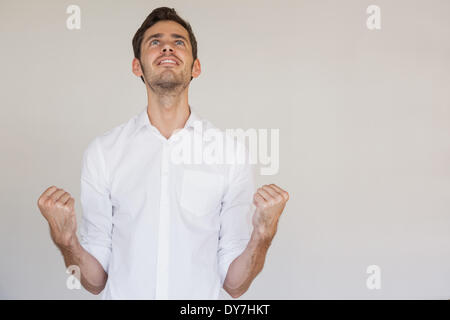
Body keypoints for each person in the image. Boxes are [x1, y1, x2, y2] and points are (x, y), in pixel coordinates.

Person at [37, 7, 289, 299]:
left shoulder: (230, 154)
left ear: (196, 67)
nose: (167, 46)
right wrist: (66, 240)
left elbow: (235, 285)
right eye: (154, 42)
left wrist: (263, 235)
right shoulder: (103, 153)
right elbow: (95, 282)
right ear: (137, 66)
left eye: (179, 42)